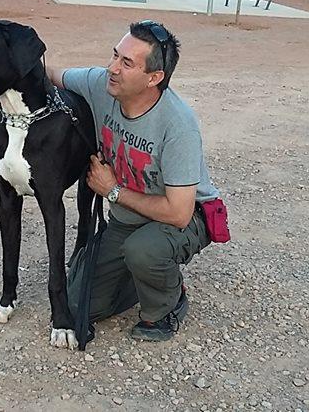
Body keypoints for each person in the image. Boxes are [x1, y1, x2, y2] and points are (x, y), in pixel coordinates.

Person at [47, 21, 222, 343]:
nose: (112, 68)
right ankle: (137, 274)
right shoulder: (101, 84)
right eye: (115, 55)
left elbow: (179, 213)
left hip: (184, 218)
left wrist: (112, 190)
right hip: (127, 219)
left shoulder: (178, 126)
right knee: (78, 304)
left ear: (154, 78)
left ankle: (167, 304)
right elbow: (53, 74)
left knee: (144, 251)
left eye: (126, 63)